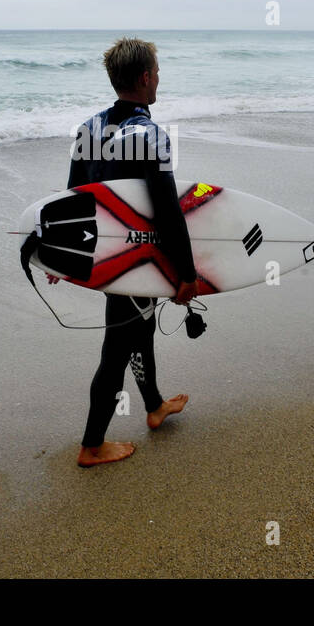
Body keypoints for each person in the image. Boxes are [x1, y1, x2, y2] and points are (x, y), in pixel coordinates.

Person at [54, 38, 197, 467]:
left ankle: (153, 405)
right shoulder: (151, 136)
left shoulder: (89, 129)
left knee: (139, 329)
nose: (159, 79)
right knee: (117, 347)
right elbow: (167, 212)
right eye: (157, 71)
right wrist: (185, 273)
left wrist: (60, 255)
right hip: (139, 257)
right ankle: (92, 445)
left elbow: (72, 199)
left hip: (107, 255)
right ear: (145, 77)